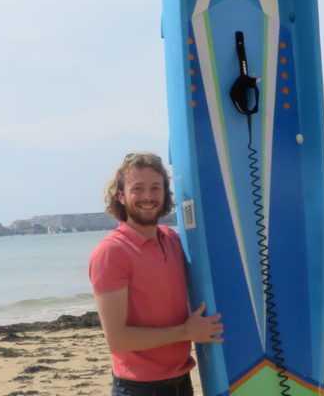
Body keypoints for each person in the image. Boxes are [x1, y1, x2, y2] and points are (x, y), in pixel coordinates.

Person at [89, 152, 223, 396]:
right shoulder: (111, 252)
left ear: (165, 194)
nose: (148, 197)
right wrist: (186, 332)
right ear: (121, 195)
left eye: (155, 188)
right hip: (139, 388)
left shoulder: (171, 239)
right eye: (137, 189)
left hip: (182, 382)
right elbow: (118, 339)